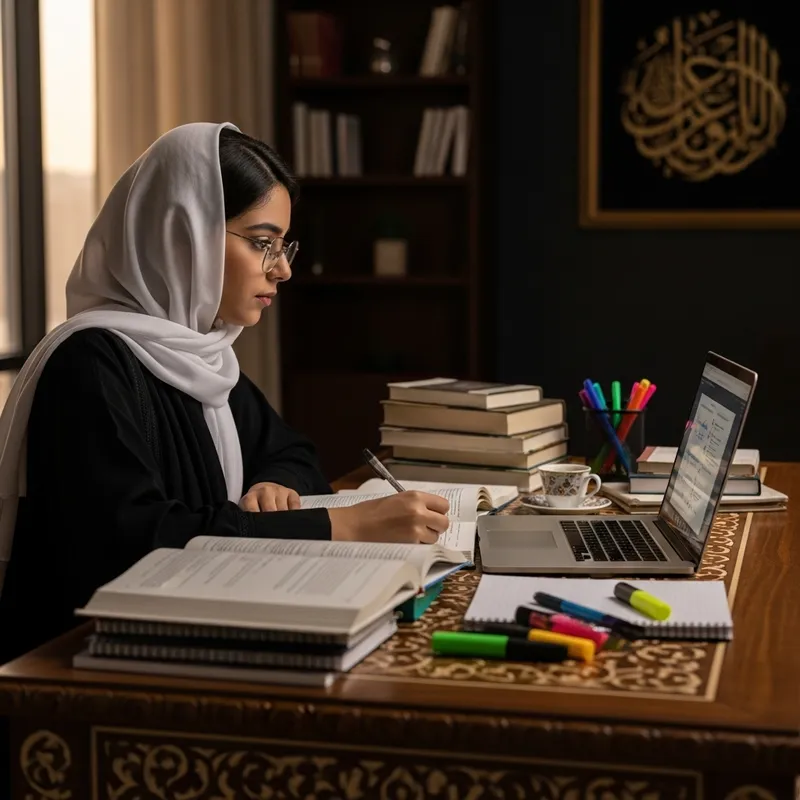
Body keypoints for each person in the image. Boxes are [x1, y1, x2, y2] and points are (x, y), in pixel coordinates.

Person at [0, 121, 450, 665]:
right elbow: (132, 542)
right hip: (87, 668)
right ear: (182, 234)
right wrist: (341, 525)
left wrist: (273, 482)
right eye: (263, 243)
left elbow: (292, 453)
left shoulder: (201, 358)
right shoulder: (90, 363)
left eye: (284, 247)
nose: (282, 269)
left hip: (188, 645)